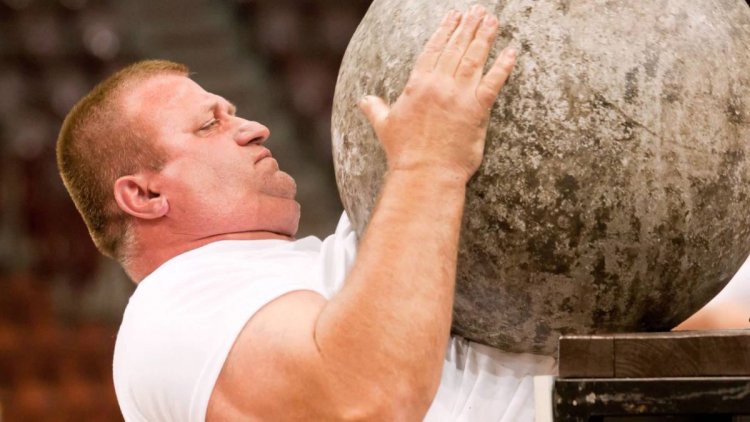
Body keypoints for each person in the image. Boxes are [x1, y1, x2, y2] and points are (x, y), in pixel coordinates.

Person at [57, 5, 555, 421]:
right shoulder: (166, 316)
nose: (254, 128)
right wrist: (428, 161)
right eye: (210, 125)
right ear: (144, 196)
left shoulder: (330, 258)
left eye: (234, 113)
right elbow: (358, 401)